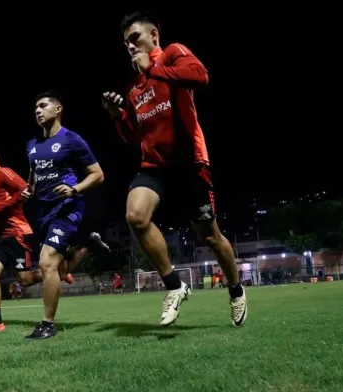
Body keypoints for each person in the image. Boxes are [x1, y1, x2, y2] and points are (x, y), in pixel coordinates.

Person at [102, 11, 247, 327]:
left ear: (154, 34)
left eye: (134, 38)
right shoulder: (135, 89)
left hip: (190, 164)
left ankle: (236, 290)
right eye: (125, 42)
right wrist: (118, 115)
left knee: (211, 237)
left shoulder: (171, 54)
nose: (129, 46)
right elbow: (132, 136)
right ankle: (174, 286)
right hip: (155, 167)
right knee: (135, 216)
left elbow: (200, 75)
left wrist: (154, 67)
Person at [22, 91, 104, 339]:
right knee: (58, 267)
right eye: (35, 107)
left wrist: (74, 189)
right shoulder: (32, 145)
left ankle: (47, 325)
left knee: (47, 261)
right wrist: (29, 190)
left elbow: (97, 175)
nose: (38, 110)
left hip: (67, 209)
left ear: (58, 109)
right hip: (43, 213)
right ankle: (88, 243)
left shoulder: (71, 139)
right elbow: (32, 177)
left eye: (43, 105)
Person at [0, 146, 42, 333]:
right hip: (0, 235)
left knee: (25, 280)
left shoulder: (3, 172)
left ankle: (55, 271)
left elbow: (25, 192)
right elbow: (2, 212)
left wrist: (0, 206)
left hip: (18, 232)